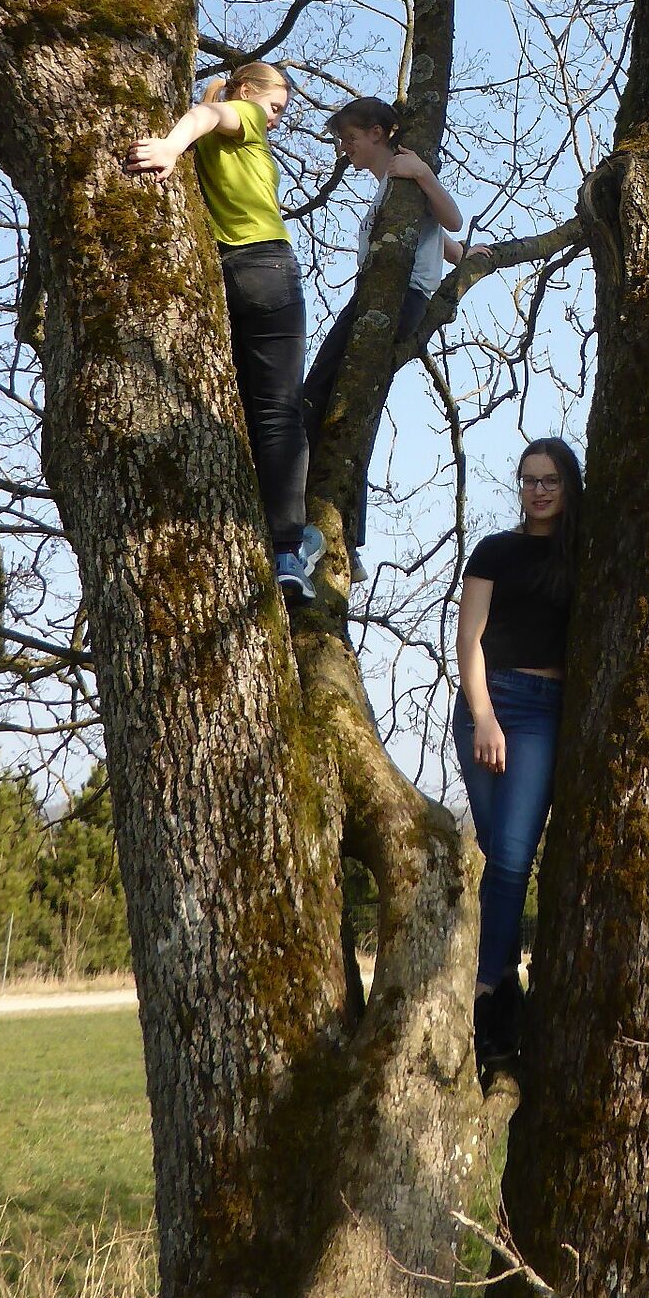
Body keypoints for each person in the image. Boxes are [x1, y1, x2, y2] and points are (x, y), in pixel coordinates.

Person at [123, 63, 323, 601]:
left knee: (253, 406)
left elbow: (208, 118)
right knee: (281, 410)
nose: (275, 119)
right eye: (276, 106)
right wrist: (168, 145)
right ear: (246, 91)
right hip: (268, 266)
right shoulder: (243, 114)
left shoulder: (225, 139)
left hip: (226, 273)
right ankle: (287, 548)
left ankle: (266, 521)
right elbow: (208, 111)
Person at [301, 98, 470, 577]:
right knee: (336, 403)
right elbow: (445, 238)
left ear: (378, 133)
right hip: (375, 295)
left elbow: (451, 218)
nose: (345, 149)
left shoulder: (406, 176)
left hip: (399, 297)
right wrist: (463, 256)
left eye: (350, 139)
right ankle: (343, 534)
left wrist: (422, 174)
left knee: (319, 398)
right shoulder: (386, 192)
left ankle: (339, 533)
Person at [454, 437, 579, 1071]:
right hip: (490, 703)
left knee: (509, 859)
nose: (538, 490)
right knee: (499, 856)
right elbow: (468, 641)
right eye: (529, 479)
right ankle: (499, 1007)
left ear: (567, 485)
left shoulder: (580, 554)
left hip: (544, 712)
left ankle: (487, 997)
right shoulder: (495, 551)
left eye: (550, 479)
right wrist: (483, 719)